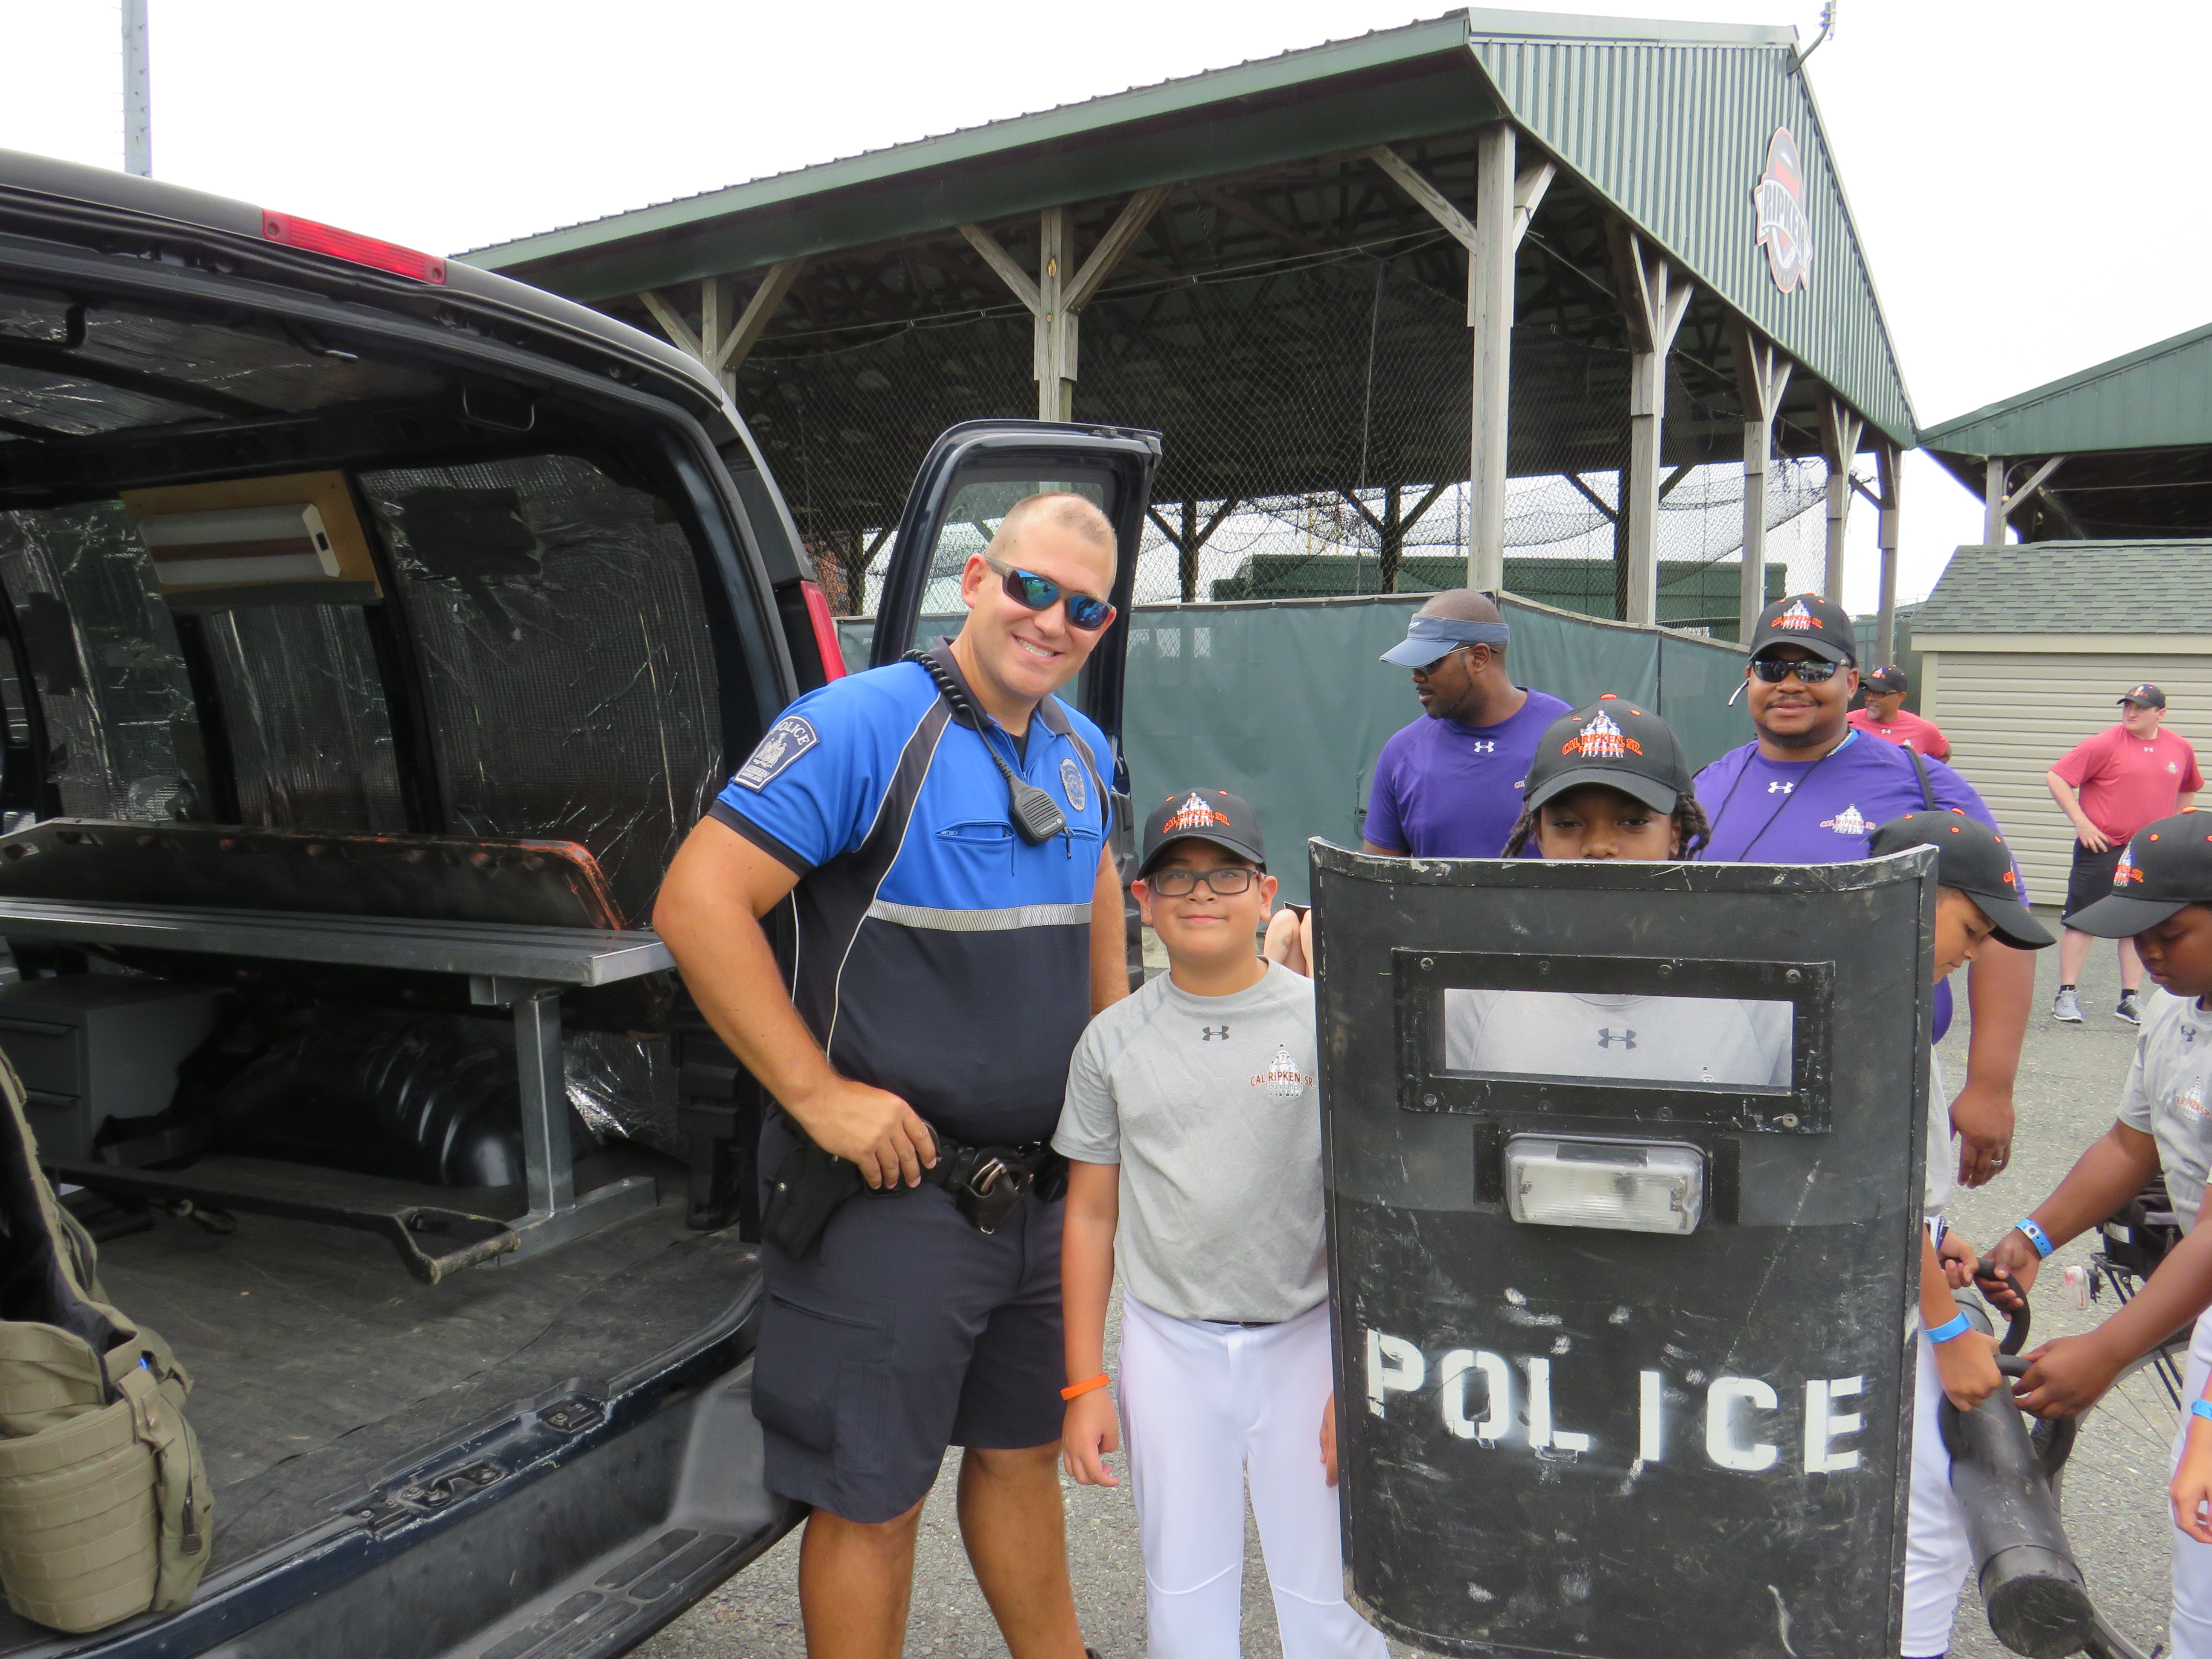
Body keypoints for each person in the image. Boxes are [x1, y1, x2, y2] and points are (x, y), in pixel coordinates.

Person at [654, 492, 1129, 1659]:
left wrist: (1120, 1106)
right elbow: (697, 903)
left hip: (1038, 1198)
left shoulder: (1082, 752)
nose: (1051, 620)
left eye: (1083, 606)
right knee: (872, 1500)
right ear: (975, 581)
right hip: (890, 1205)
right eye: (1030, 587)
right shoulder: (862, 726)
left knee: (1020, 1461)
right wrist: (817, 1097)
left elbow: (1100, 919)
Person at [1056, 789, 1388, 1659]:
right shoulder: (1113, 1041)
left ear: (1268, 893)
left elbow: (1368, 1210)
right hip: (1171, 1347)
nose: (1202, 896)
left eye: (1226, 876)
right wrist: (1085, 1382)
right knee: (1184, 1589)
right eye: (1177, 880)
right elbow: (1091, 1214)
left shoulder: (1328, 1025)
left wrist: (1357, 1374)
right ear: (1144, 903)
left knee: (1333, 1592)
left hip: (1306, 1339)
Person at [1694, 593, 2036, 1191]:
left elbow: (2004, 927)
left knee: (1878, 1262)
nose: (1791, 683)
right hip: (1717, 1064)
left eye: (1816, 668)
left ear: (1852, 680)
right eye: (1774, 667)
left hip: (1873, 1070)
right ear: (1749, 678)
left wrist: (1990, 1086)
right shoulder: (1707, 784)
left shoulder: (1923, 786)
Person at [1979, 810, 2212, 1659]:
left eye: (2170, 932)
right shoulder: (2172, 1006)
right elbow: (2131, 1143)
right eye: (2135, 935)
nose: (2148, 952)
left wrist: (2109, 1351)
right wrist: (2033, 1237)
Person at [1864, 809, 2054, 1659]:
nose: (1972, 954)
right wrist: (1946, 1326)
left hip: (1905, 1270)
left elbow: (1908, 1198)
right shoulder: (1871, 999)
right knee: (1938, 1509)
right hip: (1884, 1294)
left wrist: (1942, 1246)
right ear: (1909, 889)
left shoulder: (1900, 993)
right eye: (1970, 928)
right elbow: (1873, 1194)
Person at [1361, 590, 1571, 859]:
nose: (1415, 676)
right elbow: (1377, 884)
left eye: (1428, 663)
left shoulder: (1566, 735)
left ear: (1480, 657)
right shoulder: (1402, 752)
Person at [2046, 683, 2201, 1026]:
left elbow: (2189, 786)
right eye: (2128, 706)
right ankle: (2066, 994)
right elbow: (2058, 777)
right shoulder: (2103, 743)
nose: (2131, 713)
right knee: (2082, 919)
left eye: (2140, 708)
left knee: (2139, 925)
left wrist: (2171, 828)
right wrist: (2082, 824)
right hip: (2102, 845)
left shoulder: (2179, 748)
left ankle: (2129, 999)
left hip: (2147, 852)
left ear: (2160, 714)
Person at [1849, 665, 1949, 759]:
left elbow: (1944, 754)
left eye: (1878, 693)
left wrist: (1923, 775)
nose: (1870, 698)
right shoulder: (1848, 723)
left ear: (1900, 697)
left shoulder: (1923, 729)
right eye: (1867, 692)